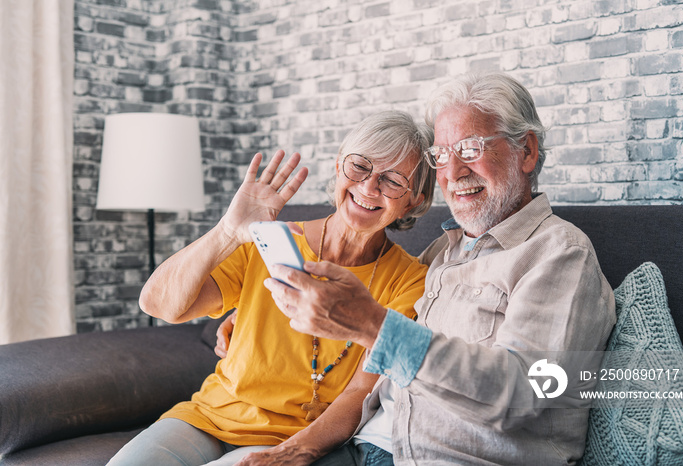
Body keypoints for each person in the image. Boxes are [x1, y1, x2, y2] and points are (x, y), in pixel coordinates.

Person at [263, 73, 617, 465]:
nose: (452, 173)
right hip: (364, 444)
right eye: (442, 155)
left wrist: (374, 326)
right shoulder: (440, 253)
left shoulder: (559, 254)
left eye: (469, 149)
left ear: (527, 152)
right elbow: (359, 325)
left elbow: (522, 395)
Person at [107, 110, 436, 466]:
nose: (369, 187)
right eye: (360, 166)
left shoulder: (411, 280)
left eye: (391, 180)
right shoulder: (270, 238)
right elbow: (159, 305)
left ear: (414, 200)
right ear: (339, 165)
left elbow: (361, 391)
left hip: (293, 437)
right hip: (206, 418)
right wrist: (227, 232)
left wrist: (294, 452)